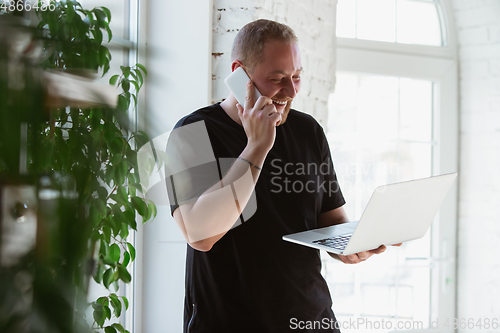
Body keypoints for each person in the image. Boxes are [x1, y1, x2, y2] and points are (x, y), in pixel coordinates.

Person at [167, 19, 392, 333]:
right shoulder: (192, 133)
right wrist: (257, 146)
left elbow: (329, 219)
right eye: (277, 78)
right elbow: (200, 234)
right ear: (239, 73)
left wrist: (351, 244)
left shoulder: (308, 130)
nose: (290, 91)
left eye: (297, 77)